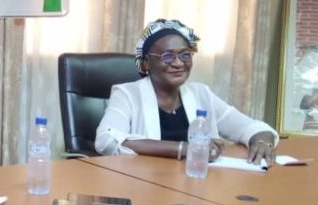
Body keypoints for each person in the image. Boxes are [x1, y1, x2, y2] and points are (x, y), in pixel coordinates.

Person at [95, 18, 278, 165]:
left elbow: (249, 127)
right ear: (146, 63)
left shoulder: (201, 94)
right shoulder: (127, 94)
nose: (178, 63)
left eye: (185, 55)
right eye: (167, 56)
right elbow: (106, 140)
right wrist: (184, 148)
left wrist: (262, 140)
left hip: (196, 184)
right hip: (146, 184)